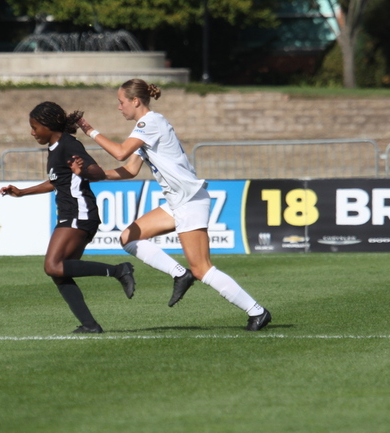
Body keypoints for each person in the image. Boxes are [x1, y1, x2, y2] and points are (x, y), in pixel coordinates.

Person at [74, 78, 271, 331]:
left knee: (202, 269)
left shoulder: (150, 123)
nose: (119, 107)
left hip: (189, 200)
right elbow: (130, 170)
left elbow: (121, 152)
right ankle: (179, 273)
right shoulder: (145, 128)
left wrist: (89, 130)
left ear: (135, 101)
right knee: (128, 237)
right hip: (178, 201)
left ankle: (257, 312)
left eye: (121, 102)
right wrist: (92, 175)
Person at [0, 101, 136, 334]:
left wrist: (83, 171)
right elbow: (57, 181)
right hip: (73, 213)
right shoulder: (54, 148)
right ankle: (90, 325)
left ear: (49, 125)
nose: (32, 133)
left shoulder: (68, 144)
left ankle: (119, 270)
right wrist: (22, 192)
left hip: (78, 212)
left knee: (52, 266)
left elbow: (97, 172)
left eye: (34, 127)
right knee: (60, 273)